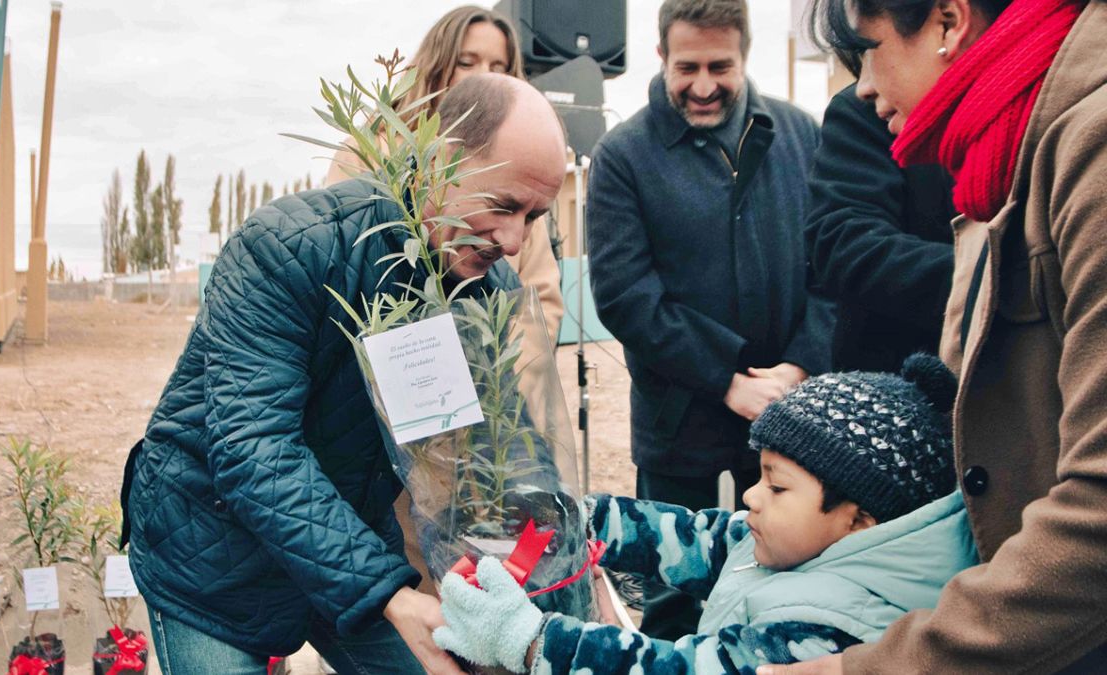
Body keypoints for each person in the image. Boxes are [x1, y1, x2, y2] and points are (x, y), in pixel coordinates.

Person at [120, 73, 568, 675]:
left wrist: (547, 532)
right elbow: (253, 448)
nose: (515, 241)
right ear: (440, 161)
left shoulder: (478, 287)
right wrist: (391, 596)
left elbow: (496, 441)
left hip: (349, 542)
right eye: (503, 206)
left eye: (535, 217)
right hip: (210, 556)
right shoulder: (286, 247)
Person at [763, 0, 1107, 673]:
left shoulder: (1090, 149)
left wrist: (864, 667)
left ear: (948, 23)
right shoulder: (1008, 156)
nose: (861, 84)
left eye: (870, 46)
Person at [431, 355, 978, 673]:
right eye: (758, 475)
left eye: (777, 485)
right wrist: (584, 517)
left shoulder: (833, 630)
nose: (750, 498)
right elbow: (695, 538)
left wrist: (532, 641)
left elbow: (683, 671)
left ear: (859, 518)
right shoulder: (795, 538)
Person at [585, 0, 833, 641]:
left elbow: (833, 269)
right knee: (673, 595)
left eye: (719, 66)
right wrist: (727, 379)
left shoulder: (801, 135)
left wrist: (799, 366)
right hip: (678, 416)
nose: (702, 85)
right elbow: (625, 296)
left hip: (793, 411)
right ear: (662, 57)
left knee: (790, 587)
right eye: (686, 66)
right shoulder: (622, 156)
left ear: (744, 55)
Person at [323, 5, 564, 347]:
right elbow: (345, 262)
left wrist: (504, 385)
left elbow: (540, 298)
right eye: (467, 62)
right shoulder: (369, 151)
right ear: (435, 67)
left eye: (499, 67)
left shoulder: (519, 181)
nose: (483, 75)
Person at [806, 82, 956, 373]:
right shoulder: (863, 110)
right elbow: (844, 243)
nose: (865, 86)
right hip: (900, 382)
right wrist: (986, 277)